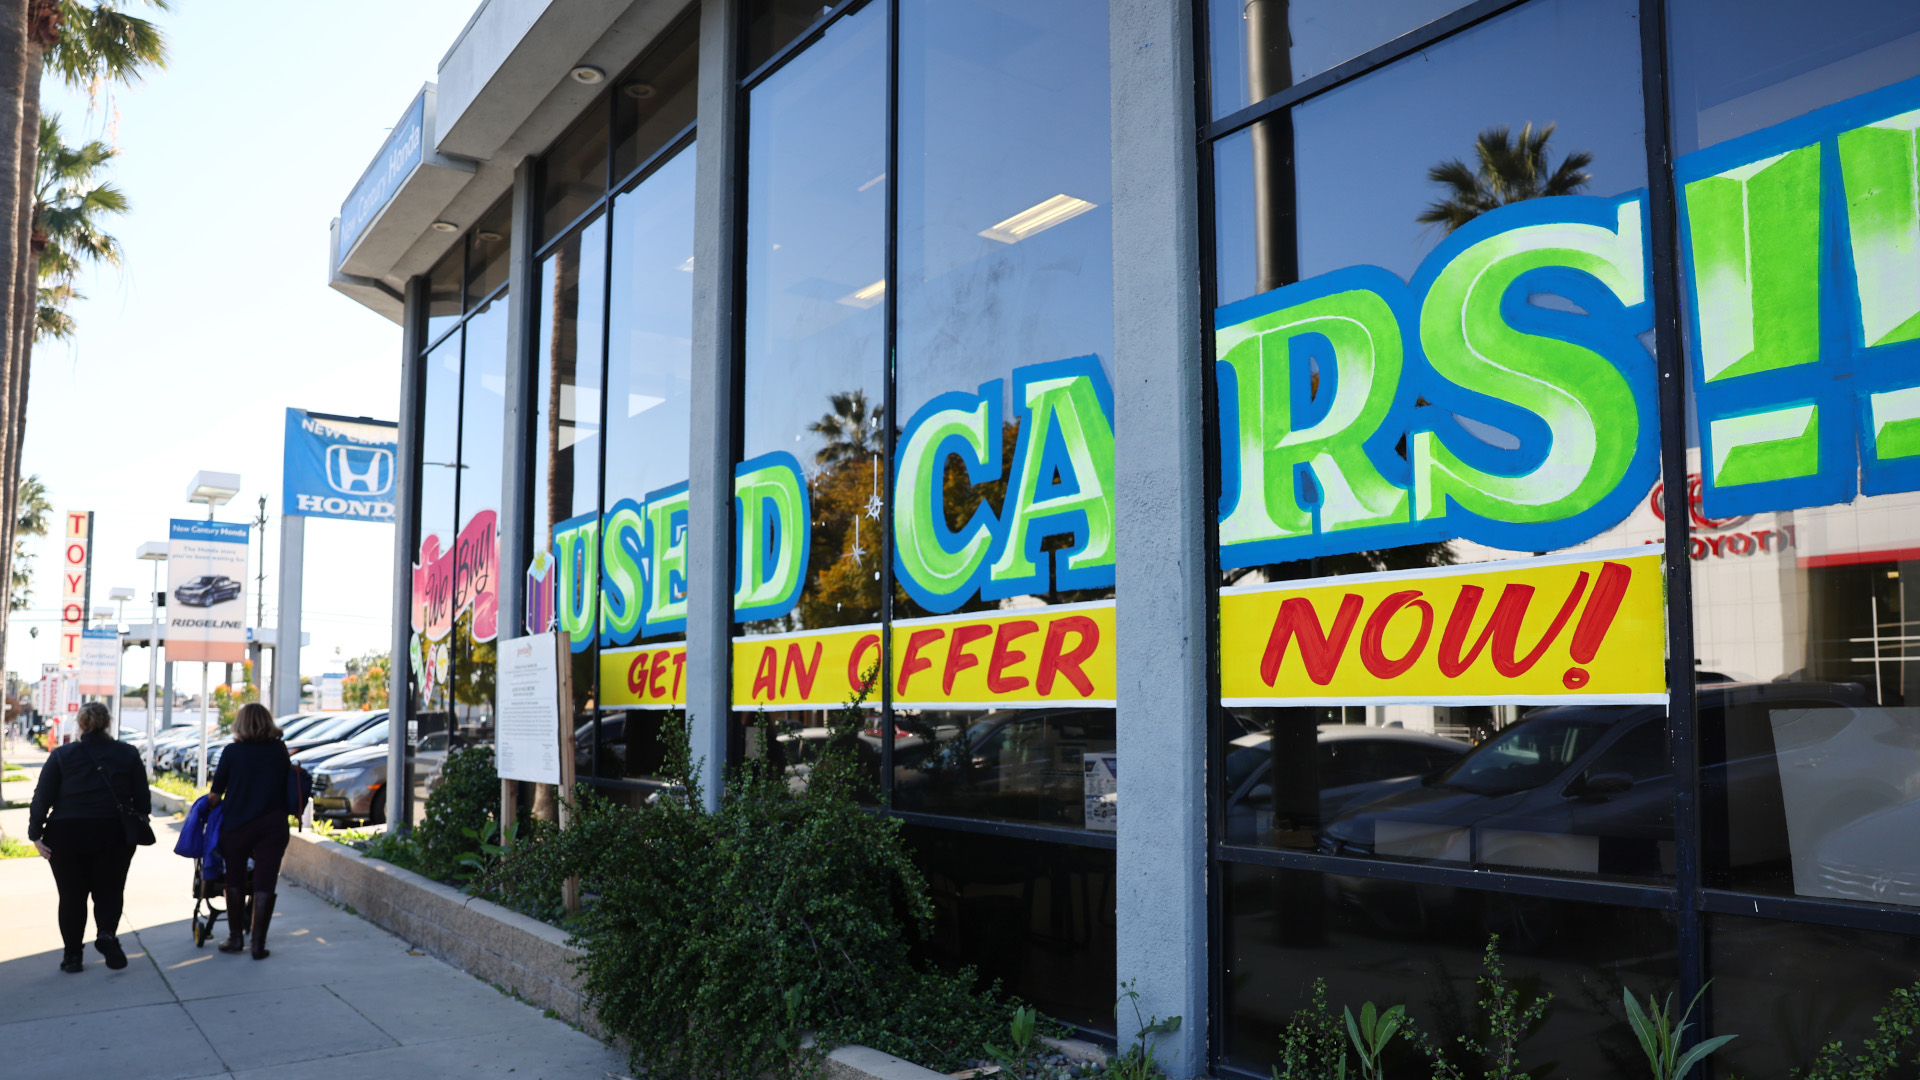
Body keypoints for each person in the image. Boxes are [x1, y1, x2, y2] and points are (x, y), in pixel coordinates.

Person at [27, 701, 147, 973]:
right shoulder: (127, 753)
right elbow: (144, 801)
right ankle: (106, 934)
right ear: (108, 723)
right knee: (110, 890)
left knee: (71, 896)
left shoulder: (62, 755)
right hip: (113, 832)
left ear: (80, 724)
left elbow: (42, 797)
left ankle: (72, 957)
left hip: (66, 834)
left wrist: (35, 834)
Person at [208, 702, 289, 960]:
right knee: (266, 879)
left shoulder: (232, 752)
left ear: (240, 723)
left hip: (236, 824)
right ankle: (257, 944)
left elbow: (216, 793)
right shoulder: (278, 750)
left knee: (234, 877)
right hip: (272, 824)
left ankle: (235, 938)